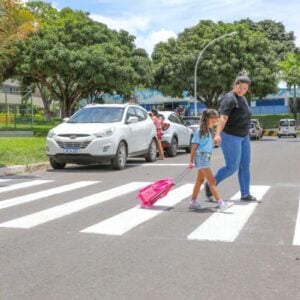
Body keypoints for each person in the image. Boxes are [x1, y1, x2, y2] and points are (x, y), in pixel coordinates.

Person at [205, 72, 257, 202]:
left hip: (244, 136)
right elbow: (223, 118)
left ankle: (245, 194)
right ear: (235, 84)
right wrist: (217, 134)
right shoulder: (229, 98)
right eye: (240, 87)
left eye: (245, 88)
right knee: (232, 166)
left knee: (245, 165)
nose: (242, 90)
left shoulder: (243, 99)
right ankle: (210, 185)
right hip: (230, 136)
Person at [188, 109, 234, 211]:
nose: (215, 122)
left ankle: (193, 201)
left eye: (216, 120)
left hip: (204, 157)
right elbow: (194, 148)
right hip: (201, 157)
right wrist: (190, 161)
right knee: (212, 181)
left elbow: (205, 145)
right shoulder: (199, 132)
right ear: (207, 119)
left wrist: (214, 143)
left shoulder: (208, 131)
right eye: (213, 120)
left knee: (200, 181)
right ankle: (221, 203)